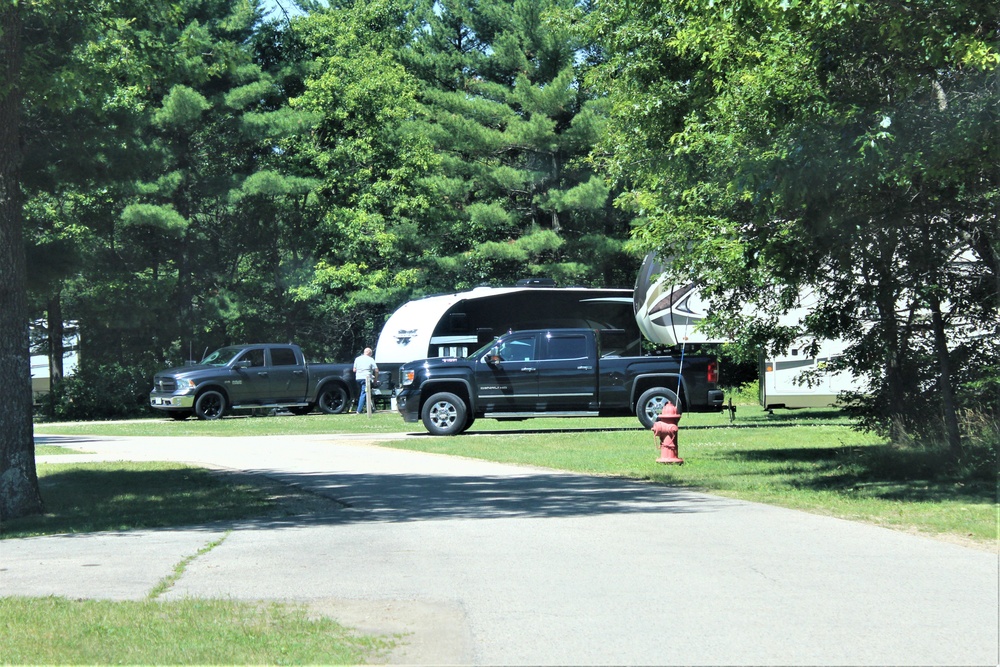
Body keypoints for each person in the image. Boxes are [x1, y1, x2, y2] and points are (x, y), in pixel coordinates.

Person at [352, 347, 379, 414]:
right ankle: (359, 410)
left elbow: (354, 370)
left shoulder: (357, 359)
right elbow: (376, 370)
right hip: (366, 378)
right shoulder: (370, 359)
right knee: (364, 394)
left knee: (365, 392)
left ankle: (370, 408)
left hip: (358, 378)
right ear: (370, 353)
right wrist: (375, 379)